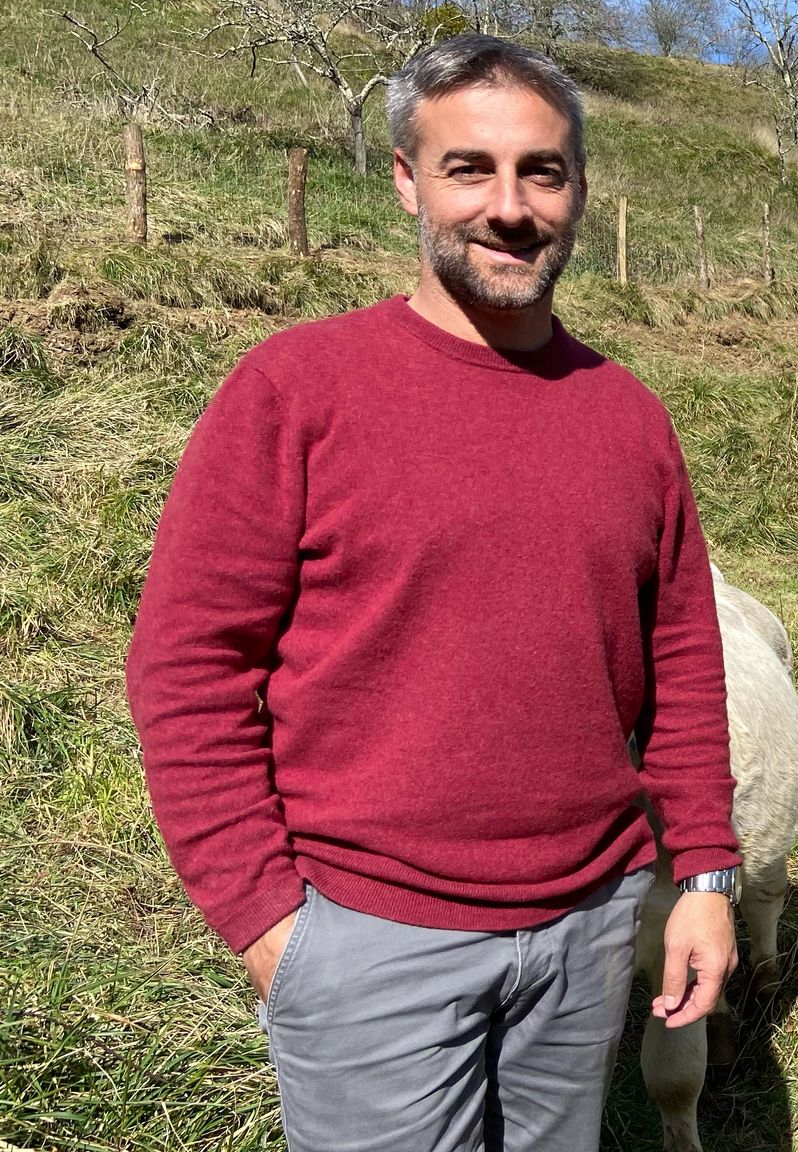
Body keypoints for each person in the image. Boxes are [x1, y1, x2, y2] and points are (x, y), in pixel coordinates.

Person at [124, 34, 740, 1151]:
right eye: (470, 169)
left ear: (578, 192)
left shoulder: (628, 419)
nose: (509, 207)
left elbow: (686, 663)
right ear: (406, 179)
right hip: (367, 941)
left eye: (541, 172)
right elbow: (188, 665)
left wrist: (700, 874)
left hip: (587, 933)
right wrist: (268, 922)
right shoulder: (295, 392)